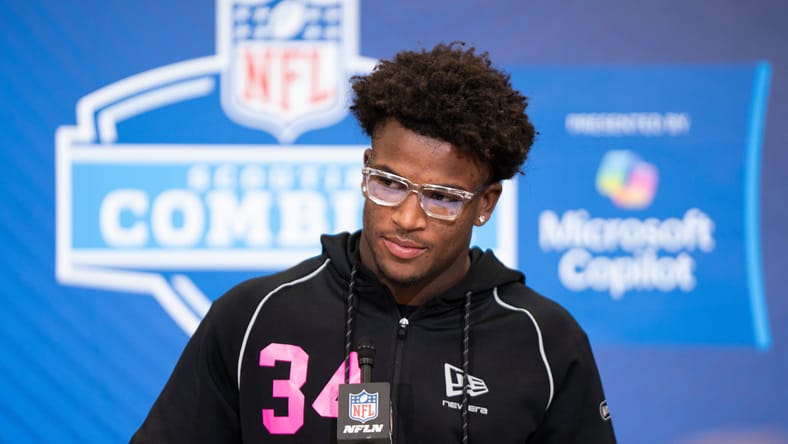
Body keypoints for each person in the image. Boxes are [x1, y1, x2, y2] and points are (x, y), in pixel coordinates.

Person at [131, 42, 617, 443]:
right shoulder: (253, 315)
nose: (407, 218)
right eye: (389, 183)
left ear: (485, 203)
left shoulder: (543, 341)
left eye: (442, 198)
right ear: (366, 166)